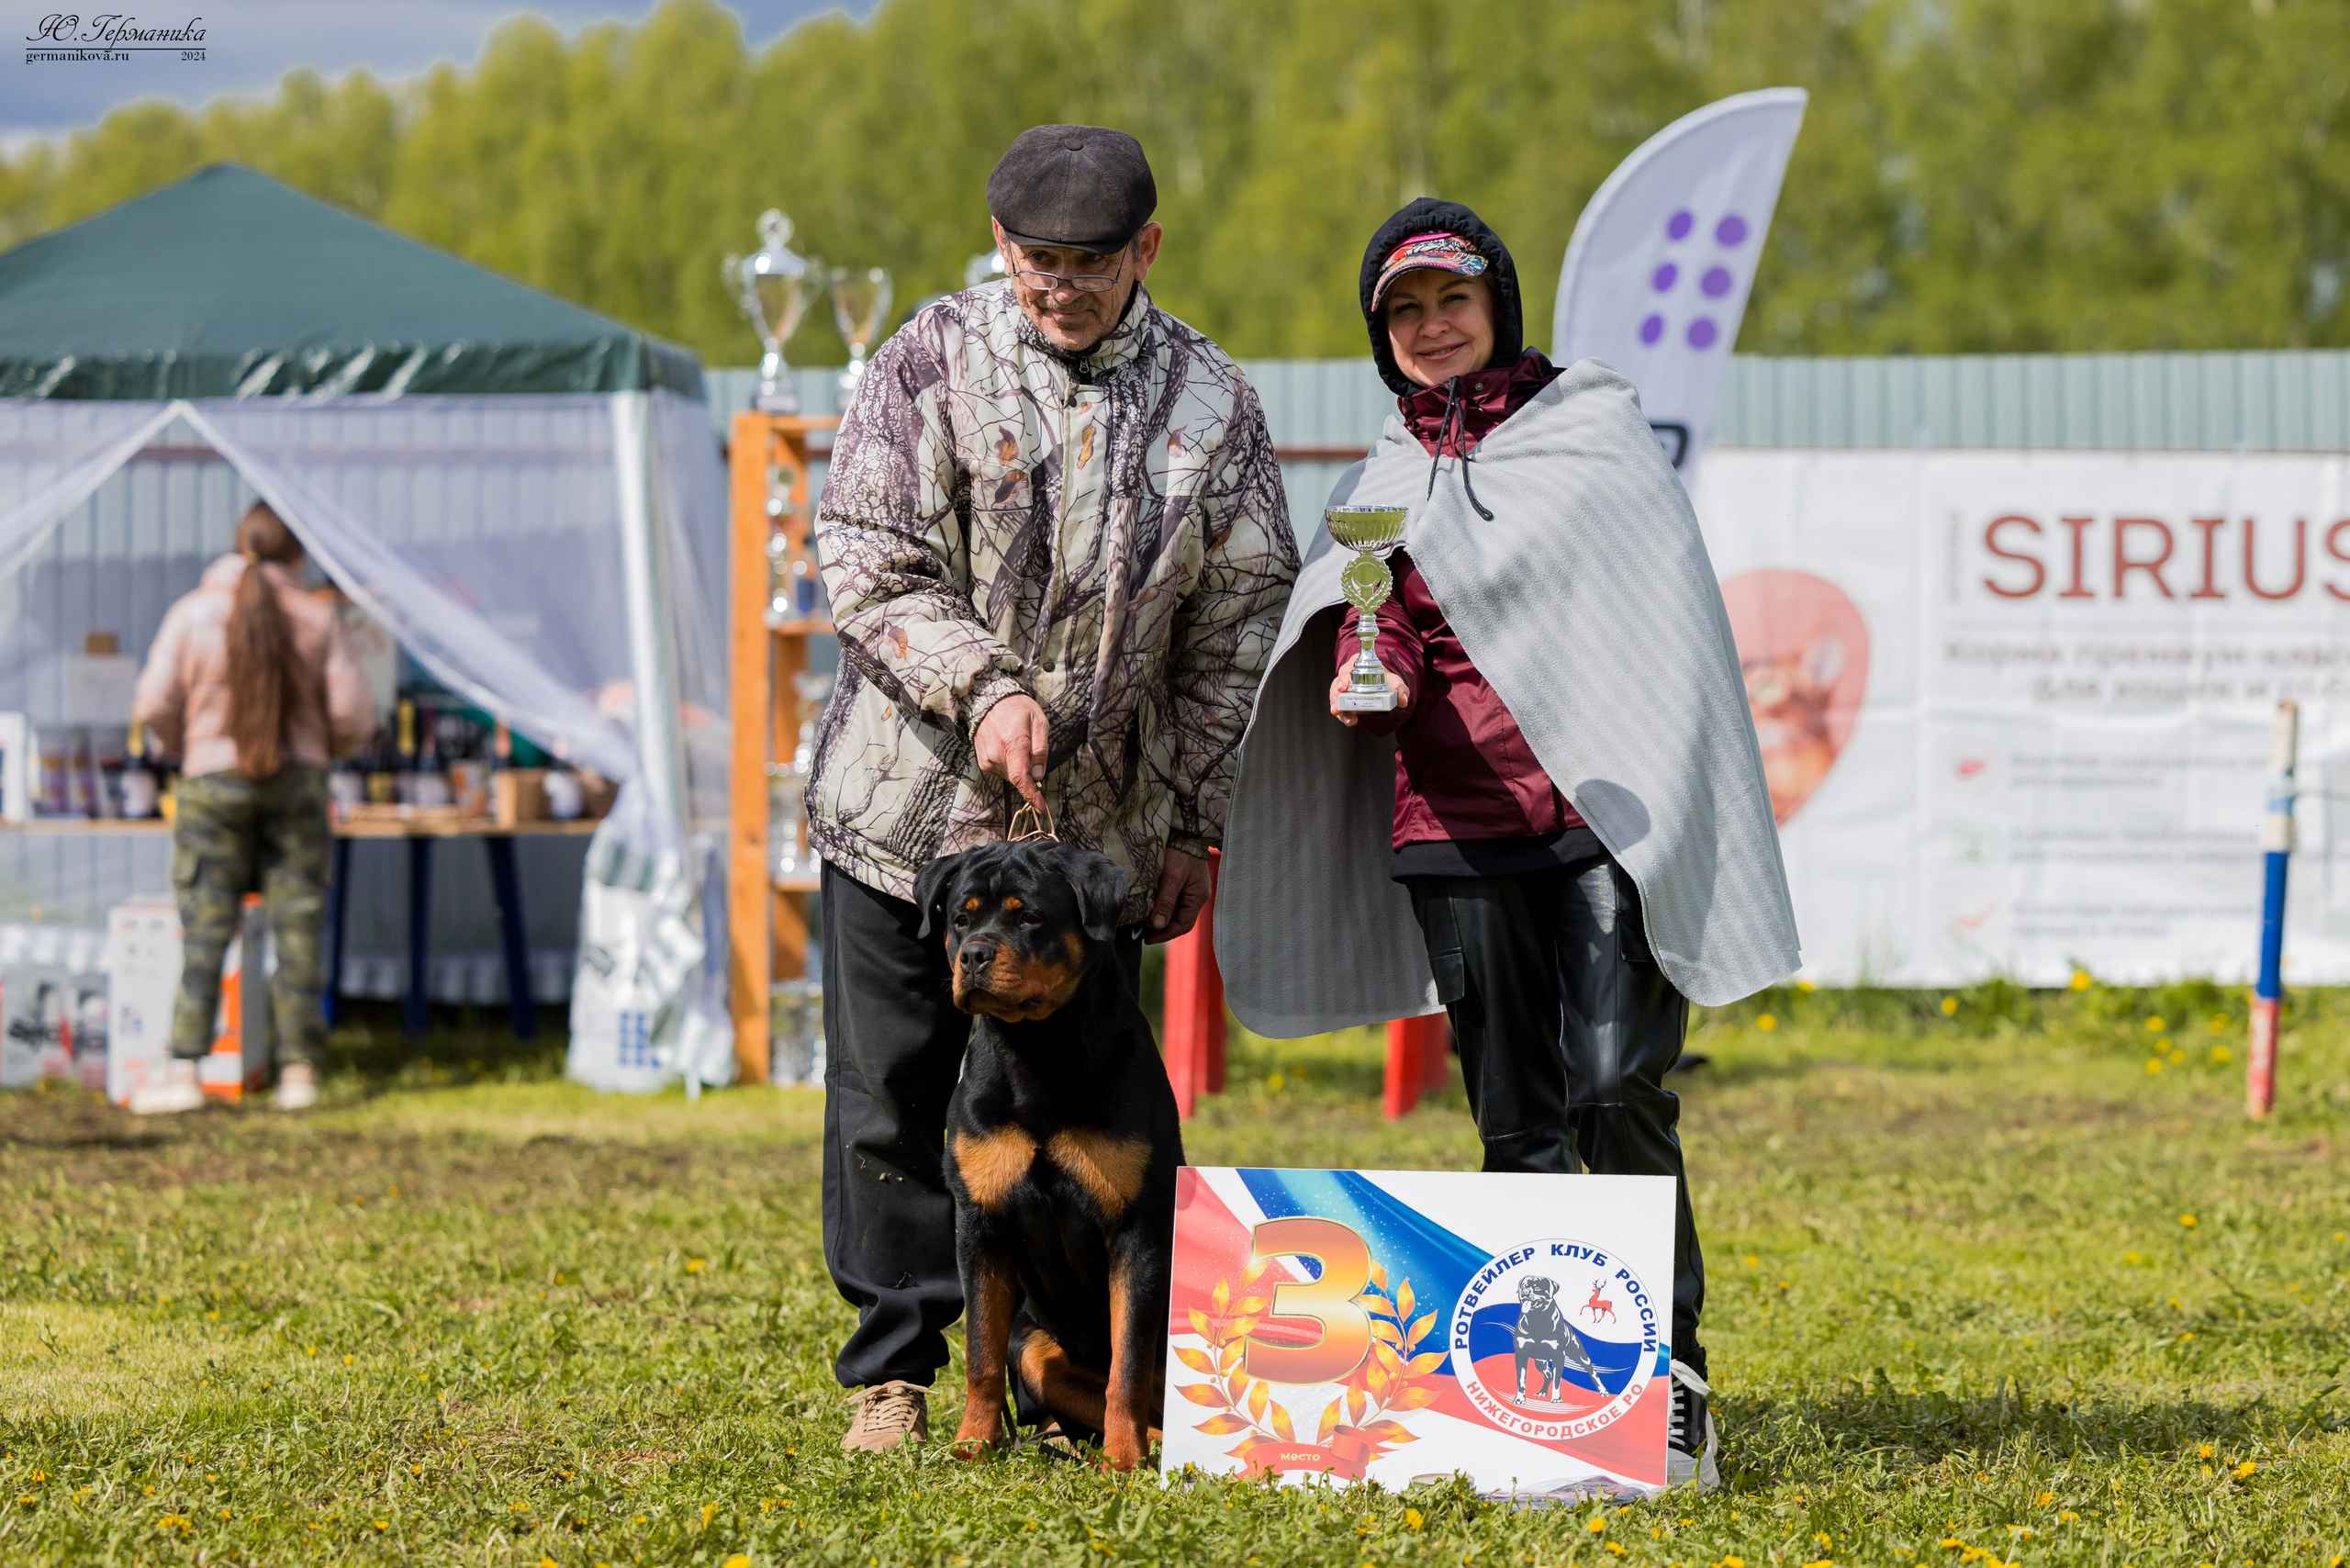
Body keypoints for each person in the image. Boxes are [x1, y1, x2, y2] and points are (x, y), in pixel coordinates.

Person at [1214, 199, 1804, 1491]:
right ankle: (1562, 1398)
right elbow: (1379, 624)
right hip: (1453, 828)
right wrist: (1368, 670)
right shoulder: (1376, 486)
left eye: (1452, 300)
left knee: (1615, 1085)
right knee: (1517, 1117)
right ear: (1381, 336)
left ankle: (1676, 1375)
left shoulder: (1592, 434)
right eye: (1404, 312)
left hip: (1604, 817)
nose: (1431, 327)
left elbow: (1659, 627)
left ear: (1499, 307)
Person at [808, 124, 1297, 1452]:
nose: (1062, 285)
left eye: (1092, 261)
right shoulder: (925, 357)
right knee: (888, 1105)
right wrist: (986, 688)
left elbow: (1237, 627)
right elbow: (866, 553)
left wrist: (1194, 821)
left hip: (1092, 856)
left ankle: (1091, 1381)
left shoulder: (1215, 401)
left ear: (1147, 249)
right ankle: (896, 1377)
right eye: (1038, 260)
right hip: (904, 814)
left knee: (1093, 1130)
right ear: (999, 243)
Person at [128, 502, 376, 1115]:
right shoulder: (317, 618)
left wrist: (189, 749)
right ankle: (299, 1074)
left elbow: (154, 702)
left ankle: (185, 1070)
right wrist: (320, 751)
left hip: (212, 785)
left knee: (204, 929)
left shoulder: (192, 612)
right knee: (298, 929)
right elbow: (353, 714)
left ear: (240, 544)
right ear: (298, 555)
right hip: (297, 784)